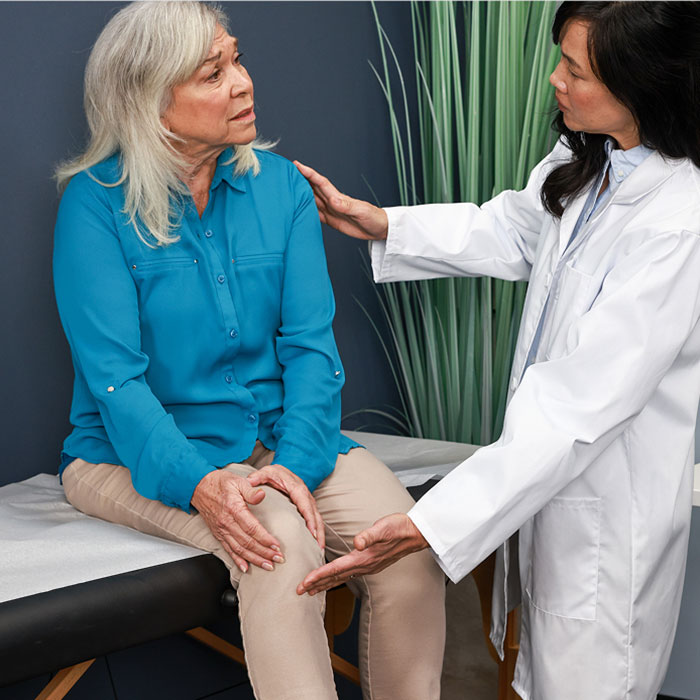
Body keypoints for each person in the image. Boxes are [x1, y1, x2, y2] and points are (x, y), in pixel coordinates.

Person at [296, 2, 700, 699]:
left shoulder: (676, 224)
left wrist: (434, 521)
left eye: (574, 70)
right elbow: (512, 229)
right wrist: (380, 223)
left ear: (643, 87)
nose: (554, 80)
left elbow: (577, 405)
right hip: (554, 496)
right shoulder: (593, 156)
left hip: (608, 517)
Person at [52, 3, 446, 699]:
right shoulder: (93, 204)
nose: (242, 82)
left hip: (273, 440)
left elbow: (311, 351)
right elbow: (116, 383)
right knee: (279, 547)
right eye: (213, 72)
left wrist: (293, 465)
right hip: (126, 456)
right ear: (150, 100)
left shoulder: (282, 188)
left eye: (236, 58)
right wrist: (204, 483)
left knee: (406, 543)